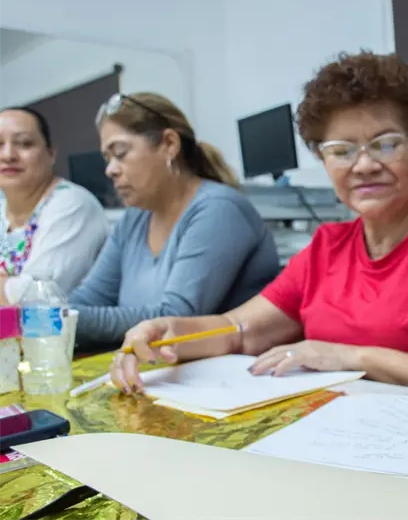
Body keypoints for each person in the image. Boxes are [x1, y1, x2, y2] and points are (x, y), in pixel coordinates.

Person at [110, 52, 408, 393]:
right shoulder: (327, 246)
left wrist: (353, 357)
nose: (364, 165)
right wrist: (167, 334)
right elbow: (238, 331)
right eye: (341, 150)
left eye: (385, 144)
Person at [70, 93, 281, 352]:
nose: (110, 169)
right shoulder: (134, 219)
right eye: (107, 158)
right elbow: (90, 298)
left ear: (169, 144)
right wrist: (62, 316)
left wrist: (58, 319)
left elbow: (174, 318)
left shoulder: (219, 209)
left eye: (121, 153)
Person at [0, 107, 109, 303]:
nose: (8, 155)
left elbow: (37, 296)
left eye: (24, 144)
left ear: (51, 154)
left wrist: (13, 289)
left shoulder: (73, 204)